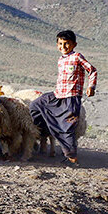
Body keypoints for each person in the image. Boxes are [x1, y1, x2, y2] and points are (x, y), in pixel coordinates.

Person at [28, 29, 96, 165]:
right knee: (36, 105)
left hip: (71, 97)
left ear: (74, 44)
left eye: (66, 43)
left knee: (67, 127)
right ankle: (44, 131)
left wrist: (91, 86)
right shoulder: (60, 59)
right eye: (60, 43)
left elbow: (92, 70)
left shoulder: (77, 57)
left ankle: (71, 157)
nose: (63, 47)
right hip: (57, 95)